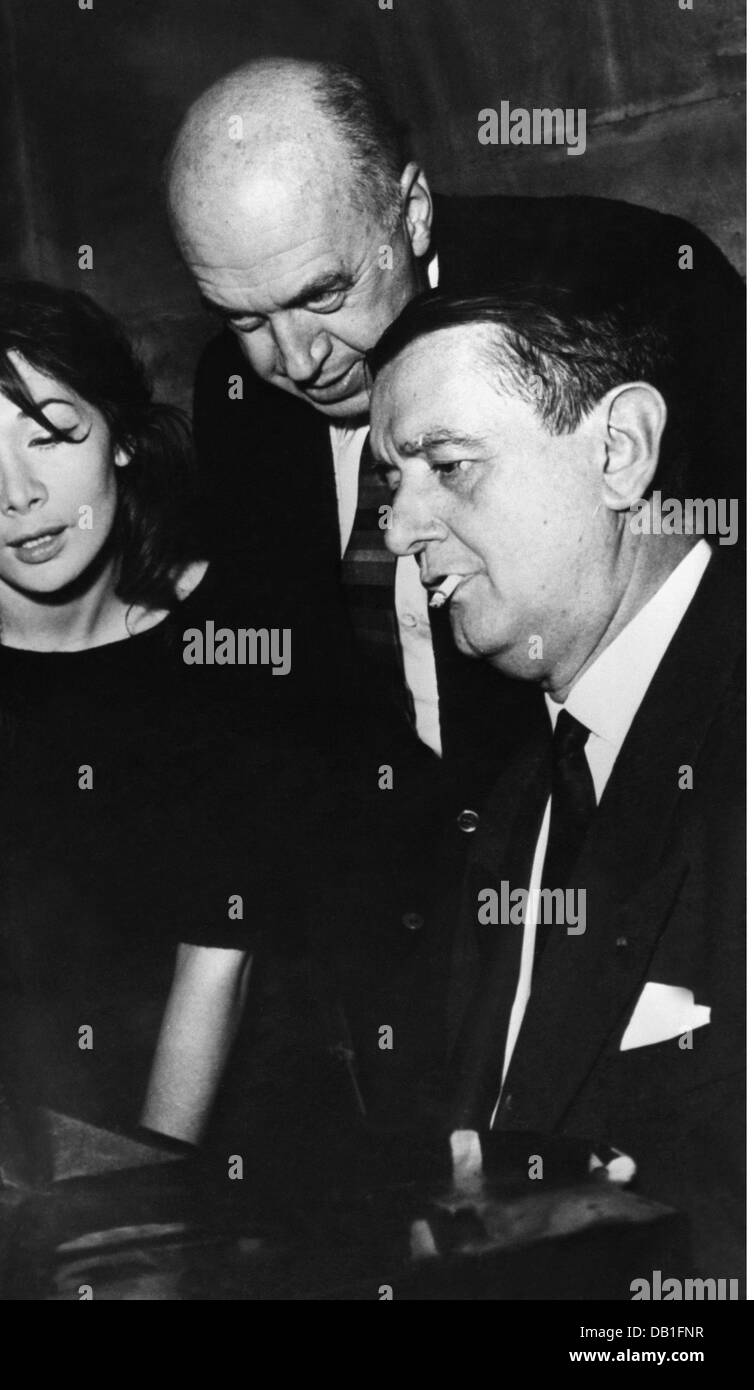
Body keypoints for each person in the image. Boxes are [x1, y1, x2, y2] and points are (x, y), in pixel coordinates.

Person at [0, 280, 339, 1158]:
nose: (19, 495)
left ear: (122, 436)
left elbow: (217, 964)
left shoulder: (237, 639)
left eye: (51, 434)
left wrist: (142, 1205)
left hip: (192, 1139)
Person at [166, 56, 744, 825]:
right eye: (244, 319)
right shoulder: (234, 395)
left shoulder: (634, 284)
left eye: (324, 294)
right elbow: (289, 709)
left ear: (411, 214)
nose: (297, 360)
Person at [368, 286, 744, 1279]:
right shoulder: (516, 800)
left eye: (448, 467)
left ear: (617, 451)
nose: (399, 531)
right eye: (389, 485)